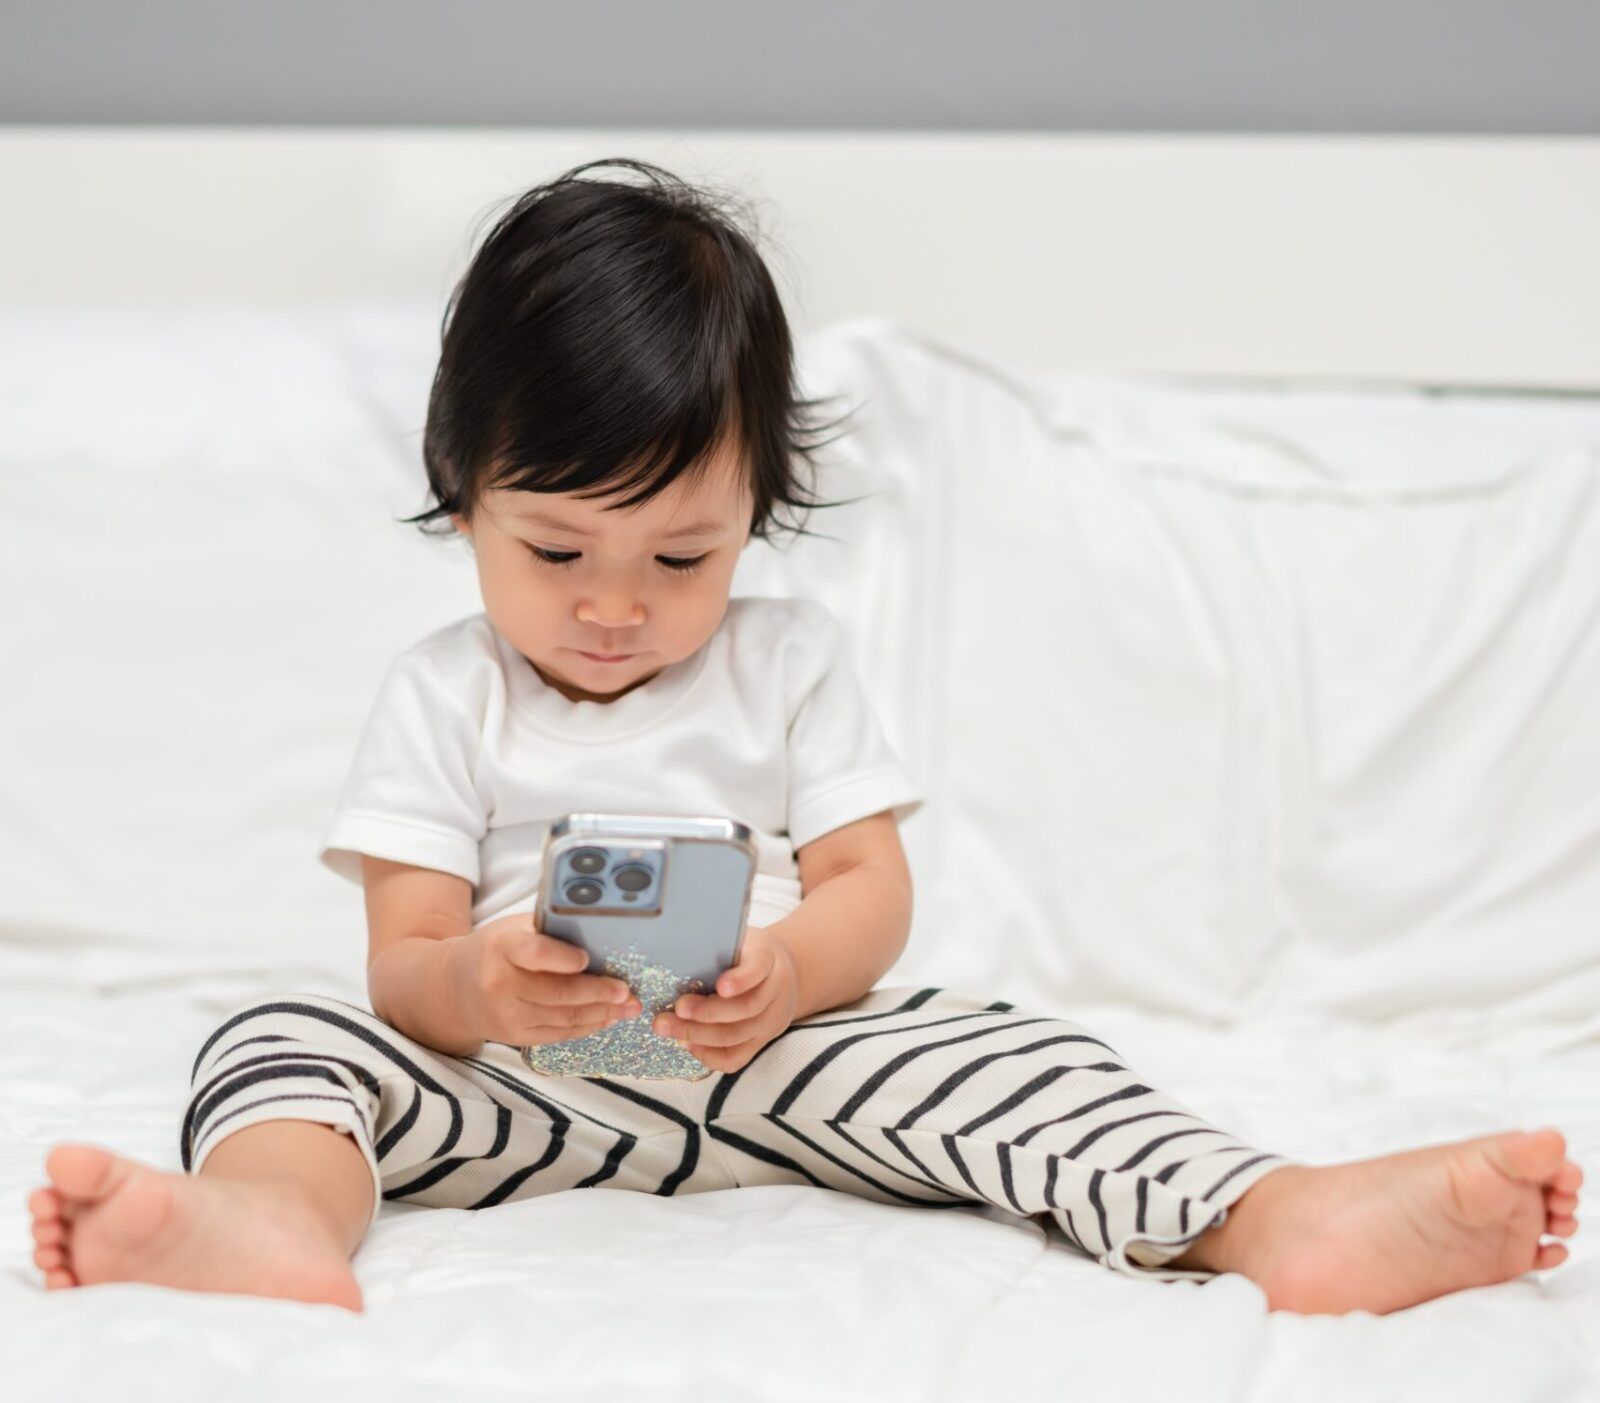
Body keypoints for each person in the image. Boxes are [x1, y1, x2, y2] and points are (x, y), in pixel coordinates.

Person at [26, 159, 1582, 1318]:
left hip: (777, 1071)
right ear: (462, 486)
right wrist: (476, 984)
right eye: (559, 555)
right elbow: (405, 956)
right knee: (277, 1042)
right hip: (512, 1088)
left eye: (683, 559)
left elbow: (868, 888)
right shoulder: (447, 693)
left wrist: (793, 972)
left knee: (1019, 1050)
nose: (619, 610)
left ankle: (1277, 1215)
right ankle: (271, 1232)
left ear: (758, 509)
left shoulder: (793, 665)